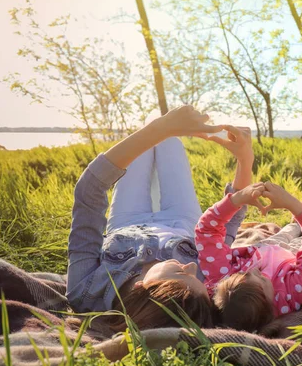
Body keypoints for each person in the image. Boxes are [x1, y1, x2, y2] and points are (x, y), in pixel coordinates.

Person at [66, 105, 254, 331]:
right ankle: (160, 123)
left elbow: (89, 191)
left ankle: (157, 122)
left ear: (141, 288)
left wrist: (159, 127)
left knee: (154, 131)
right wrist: (245, 159)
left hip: (127, 221)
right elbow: (228, 224)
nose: (193, 269)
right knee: (170, 142)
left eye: (181, 272)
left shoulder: (86, 291)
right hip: (183, 220)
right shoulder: (199, 290)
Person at [195, 181, 302, 332]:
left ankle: (293, 226)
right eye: (263, 279)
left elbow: (206, 230)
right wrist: (292, 204)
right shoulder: (292, 292)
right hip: (291, 255)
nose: (255, 270)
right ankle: (295, 225)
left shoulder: (222, 276)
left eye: (244, 273)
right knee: (295, 233)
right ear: (271, 307)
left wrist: (237, 199)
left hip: (261, 248)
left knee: (285, 233)